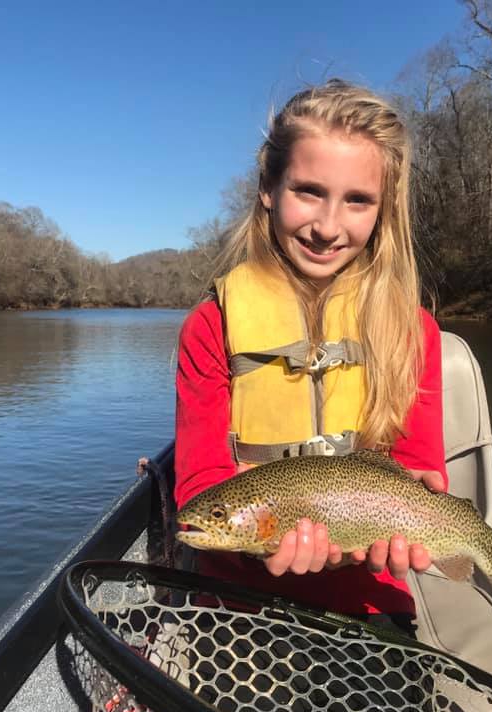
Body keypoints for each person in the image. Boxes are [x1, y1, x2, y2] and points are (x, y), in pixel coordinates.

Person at [174, 79, 447, 623]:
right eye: (308, 191)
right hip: (238, 601)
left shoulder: (414, 332)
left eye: (357, 201)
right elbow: (201, 489)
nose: (327, 226)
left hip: (370, 598)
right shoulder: (211, 327)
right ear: (268, 188)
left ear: (383, 209)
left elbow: (419, 469)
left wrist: (419, 494)